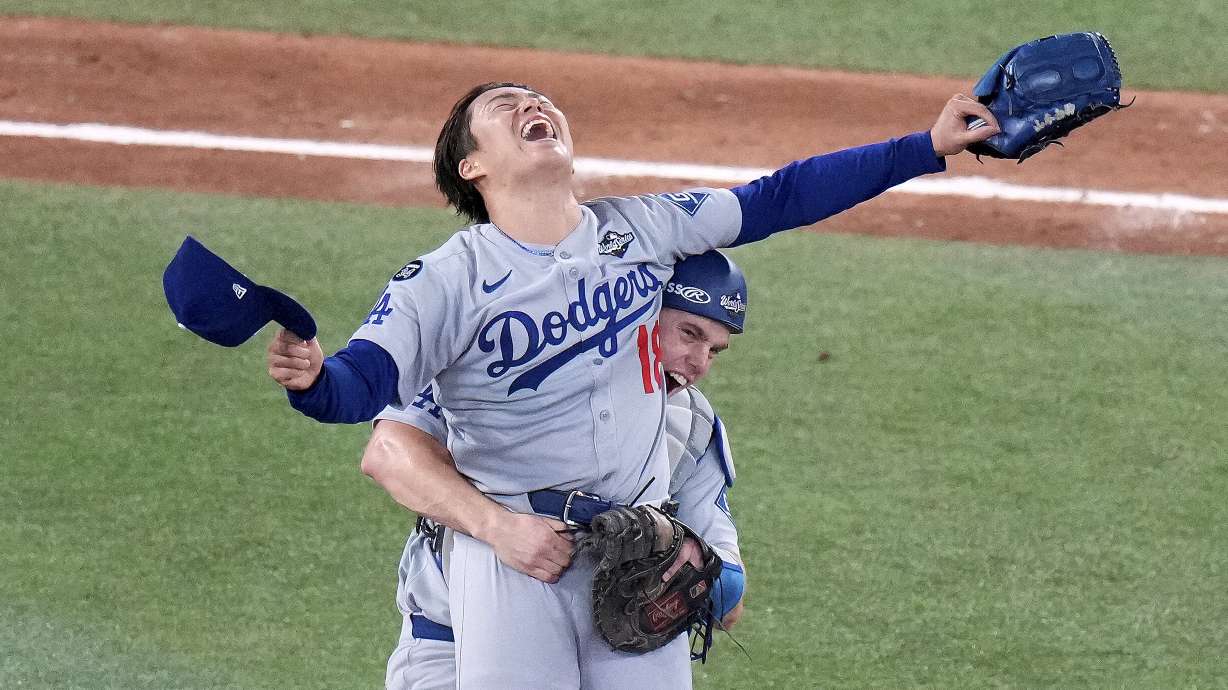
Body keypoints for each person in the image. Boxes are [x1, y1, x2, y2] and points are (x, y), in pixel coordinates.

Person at [266, 81, 999, 688]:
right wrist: (312, 379)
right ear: (471, 167)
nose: (532, 105)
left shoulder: (643, 229)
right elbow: (358, 391)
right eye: (505, 106)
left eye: (539, 97)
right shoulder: (444, 282)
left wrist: (926, 147)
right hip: (517, 553)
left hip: (638, 555)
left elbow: (781, 197)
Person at [378, 251, 750, 690]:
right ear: (640, 307)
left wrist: (687, 563)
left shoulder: (692, 428)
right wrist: (498, 527)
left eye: (714, 350)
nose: (699, 362)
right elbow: (388, 455)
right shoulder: (512, 365)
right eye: (689, 333)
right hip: (447, 644)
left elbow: (728, 597)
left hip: (602, 654)